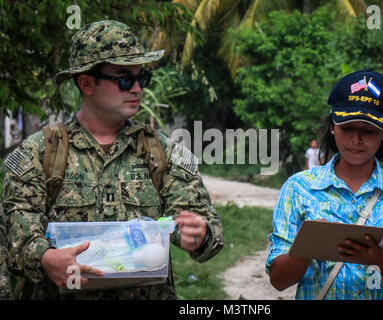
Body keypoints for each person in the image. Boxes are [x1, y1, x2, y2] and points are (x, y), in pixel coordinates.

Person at [2, 20, 224, 300]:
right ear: (87, 83)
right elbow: (16, 239)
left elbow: (207, 229)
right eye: (124, 79)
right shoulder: (39, 154)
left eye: (141, 78)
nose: (137, 89)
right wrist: (45, 258)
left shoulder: (162, 152)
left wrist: (199, 234)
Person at [266, 70, 383, 300]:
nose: (356, 139)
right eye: (347, 127)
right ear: (332, 126)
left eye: (368, 130)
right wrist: (308, 246)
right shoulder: (298, 188)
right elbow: (278, 280)